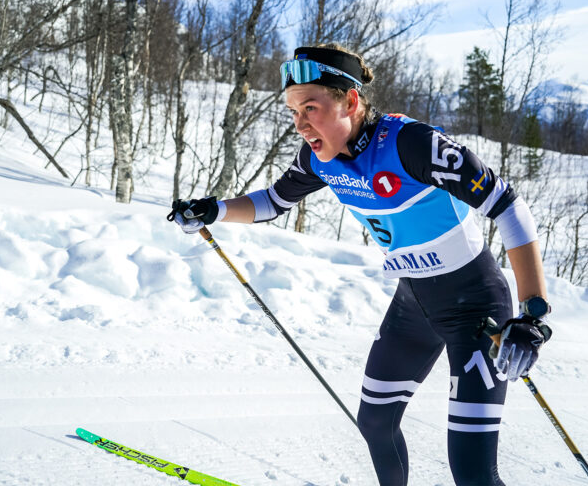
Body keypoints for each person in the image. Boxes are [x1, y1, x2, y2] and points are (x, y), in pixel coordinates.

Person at [169, 44, 551, 486]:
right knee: (374, 423)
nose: (301, 124)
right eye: (293, 111)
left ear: (350, 100)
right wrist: (212, 210)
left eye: (311, 107)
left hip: (477, 311)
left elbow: (508, 207)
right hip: (413, 306)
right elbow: (273, 201)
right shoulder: (319, 157)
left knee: (471, 473)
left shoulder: (412, 144)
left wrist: (532, 313)